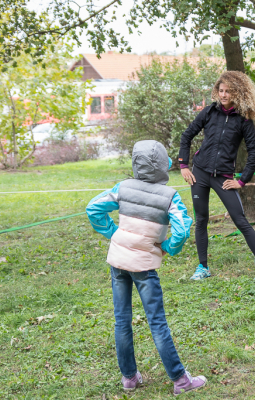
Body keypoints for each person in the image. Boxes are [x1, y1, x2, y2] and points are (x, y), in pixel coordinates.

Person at [86, 140, 206, 395]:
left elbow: (93, 208)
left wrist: (114, 233)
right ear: (163, 163)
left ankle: (129, 378)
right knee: (157, 322)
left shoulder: (123, 187)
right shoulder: (170, 196)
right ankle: (180, 380)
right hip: (143, 265)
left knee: (122, 321)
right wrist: (168, 247)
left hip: (118, 261)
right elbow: (184, 228)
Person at [178, 71, 255, 280]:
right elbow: (186, 136)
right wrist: (183, 166)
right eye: (221, 91)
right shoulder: (209, 112)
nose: (223, 95)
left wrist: (241, 181)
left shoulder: (244, 120)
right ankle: (203, 268)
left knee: (240, 220)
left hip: (223, 177)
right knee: (201, 219)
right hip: (199, 173)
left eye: (228, 91)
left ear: (237, 93)